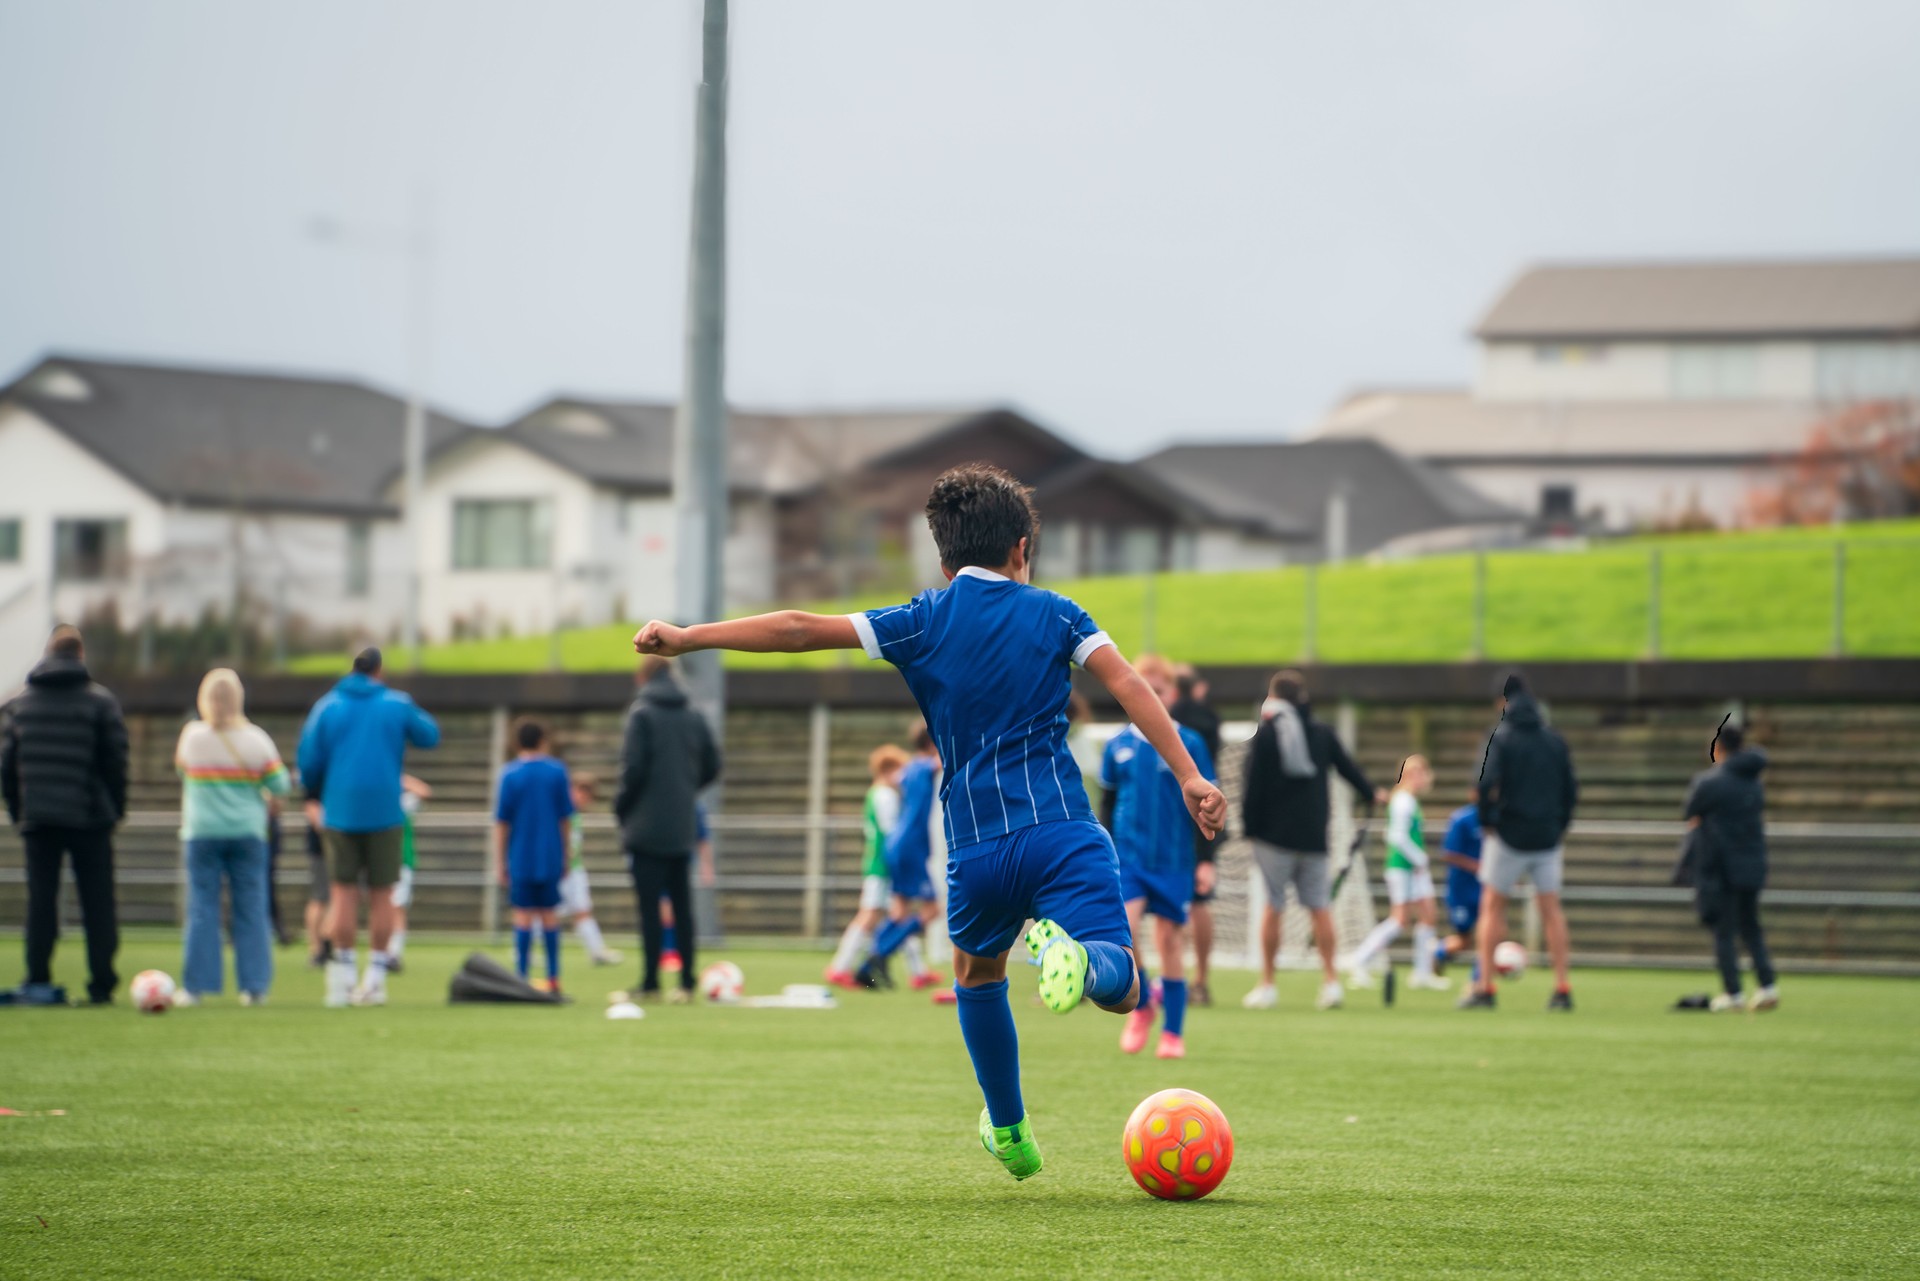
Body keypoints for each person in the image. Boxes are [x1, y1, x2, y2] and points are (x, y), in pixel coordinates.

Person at [633, 462, 1225, 1182]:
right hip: (1060, 830)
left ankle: (1009, 1129)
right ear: (1021, 548)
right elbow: (1128, 683)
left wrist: (689, 636)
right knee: (1124, 977)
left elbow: (797, 628)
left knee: (977, 973)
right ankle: (1081, 959)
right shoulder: (1057, 613)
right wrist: (1190, 774)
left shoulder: (921, 618)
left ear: (944, 560)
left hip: (975, 848)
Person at [296, 646, 440, 1008]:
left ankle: (344, 978)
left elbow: (308, 762)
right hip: (384, 811)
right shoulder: (396, 702)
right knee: (383, 895)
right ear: (379, 670)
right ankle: (374, 980)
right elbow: (429, 735)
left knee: (342, 893)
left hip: (340, 811)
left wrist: (317, 793)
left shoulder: (327, 706)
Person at [1239, 669, 1384, 1013]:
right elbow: (1349, 769)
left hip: (1273, 838)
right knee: (1320, 908)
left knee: (1274, 907)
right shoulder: (1321, 733)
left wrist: (1248, 829)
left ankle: (1268, 984)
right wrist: (1371, 794)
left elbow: (1252, 786)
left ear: (1274, 698)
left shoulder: (1267, 735)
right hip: (1313, 835)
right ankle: (1331, 982)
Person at [2, 626, 128, 1006]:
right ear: (81, 654)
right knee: (98, 903)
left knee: (41, 902)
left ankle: (38, 979)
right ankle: (101, 984)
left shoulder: (18, 705)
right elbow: (116, 763)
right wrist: (115, 810)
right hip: (90, 817)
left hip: (38, 818)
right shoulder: (101, 703)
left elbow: (6, 766)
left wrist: (18, 812)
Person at [1102, 657, 1215, 1060]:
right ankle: (1144, 1008)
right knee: (1125, 932)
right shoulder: (1118, 747)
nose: (1150, 695)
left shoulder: (1191, 743)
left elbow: (1206, 805)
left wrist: (1206, 860)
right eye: (1142, 687)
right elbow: (1108, 803)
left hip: (1173, 860)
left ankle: (1173, 1032)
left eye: (1159, 689)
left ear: (1169, 695)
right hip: (1128, 857)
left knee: (1169, 939)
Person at [1462, 672, 1578, 1012]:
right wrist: (1559, 827)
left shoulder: (1501, 736)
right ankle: (1562, 987)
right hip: (1547, 837)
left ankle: (1485, 988)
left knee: (1492, 907)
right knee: (1552, 911)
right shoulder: (1554, 738)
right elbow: (1571, 790)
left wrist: (1487, 822)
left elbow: (1483, 784)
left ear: (1503, 702)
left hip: (1509, 836)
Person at [174, 668, 291, 1005]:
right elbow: (280, 785)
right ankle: (254, 987)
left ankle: (196, 987)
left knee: (201, 908)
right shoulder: (256, 739)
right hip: (247, 832)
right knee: (252, 909)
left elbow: (183, 771)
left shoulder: (192, 737)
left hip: (202, 831)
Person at [616, 656, 721, 1002]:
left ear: (642, 675)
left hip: (645, 827)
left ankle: (650, 982)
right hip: (682, 825)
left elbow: (633, 769)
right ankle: (687, 982)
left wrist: (623, 807)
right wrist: (686, 789)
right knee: (682, 906)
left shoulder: (641, 714)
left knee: (649, 909)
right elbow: (713, 765)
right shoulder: (693, 713)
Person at [1684, 722, 1777, 1013]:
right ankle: (1767, 986)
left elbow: (1690, 813)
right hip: (1752, 861)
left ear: (1719, 747)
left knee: (1724, 931)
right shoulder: (1754, 780)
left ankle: (1733, 992)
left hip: (1722, 865)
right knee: (1751, 926)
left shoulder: (1710, 782)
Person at [1342, 755, 1449, 991]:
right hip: (1402, 867)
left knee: (1428, 915)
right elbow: (1395, 836)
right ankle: (1359, 960)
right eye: (1421, 772)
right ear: (1411, 774)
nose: (1425, 778)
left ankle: (1422, 972)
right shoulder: (1403, 801)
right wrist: (1418, 858)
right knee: (1400, 919)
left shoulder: (1408, 799)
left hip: (1413, 869)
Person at [855, 725, 943, 992]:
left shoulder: (909, 769)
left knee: (900, 911)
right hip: (910, 847)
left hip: (899, 845)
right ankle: (879, 954)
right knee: (932, 910)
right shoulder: (924, 765)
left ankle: (866, 969)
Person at [493, 719, 574, 993]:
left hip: (521, 855)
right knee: (550, 915)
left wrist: (499, 860)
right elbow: (565, 818)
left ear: (517, 742)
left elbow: (502, 822)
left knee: (522, 916)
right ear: (543, 740)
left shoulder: (509, 774)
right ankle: (553, 978)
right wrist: (567, 854)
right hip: (550, 853)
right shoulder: (557, 771)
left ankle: (521, 978)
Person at [825, 744, 909, 988]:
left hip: (882, 861)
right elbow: (891, 830)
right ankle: (839, 967)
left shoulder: (878, 793)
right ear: (887, 769)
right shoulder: (884, 795)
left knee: (897, 914)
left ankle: (917, 970)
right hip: (882, 863)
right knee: (870, 914)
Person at [1170, 663, 1222, 1007]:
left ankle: (1136, 980)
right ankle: (1199, 981)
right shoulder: (1210, 723)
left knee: (1162, 912)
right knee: (1199, 902)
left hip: (1165, 821)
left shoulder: (1168, 724)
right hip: (1204, 809)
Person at [560, 773, 624, 967]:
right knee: (549, 912)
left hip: (574, 869)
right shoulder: (563, 811)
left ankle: (596, 951)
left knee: (582, 910)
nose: (586, 800)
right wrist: (565, 861)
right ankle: (525, 949)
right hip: (564, 870)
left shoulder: (573, 813)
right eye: (583, 794)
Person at [385, 773, 432, 970]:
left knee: (398, 907)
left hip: (402, 861)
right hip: (382, 861)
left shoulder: (403, 802)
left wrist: (398, 776)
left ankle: (394, 953)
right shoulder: (379, 802)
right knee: (383, 906)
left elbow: (425, 792)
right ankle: (383, 951)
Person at [1435, 793, 1484, 975]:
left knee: (1489, 935)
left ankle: (1477, 982)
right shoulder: (1462, 819)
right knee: (1464, 940)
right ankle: (1438, 952)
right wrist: (1478, 867)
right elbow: (1448, 853)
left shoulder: (1496, 819)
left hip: (1485, 889)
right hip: (1461, 890)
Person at [301, 796, 333, 968]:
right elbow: (315, 816)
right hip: (323, 850)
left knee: (330, 899)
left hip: (332, 848)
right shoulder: (317, 788)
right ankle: (317, 949)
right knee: (320, 898)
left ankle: (326, 945)